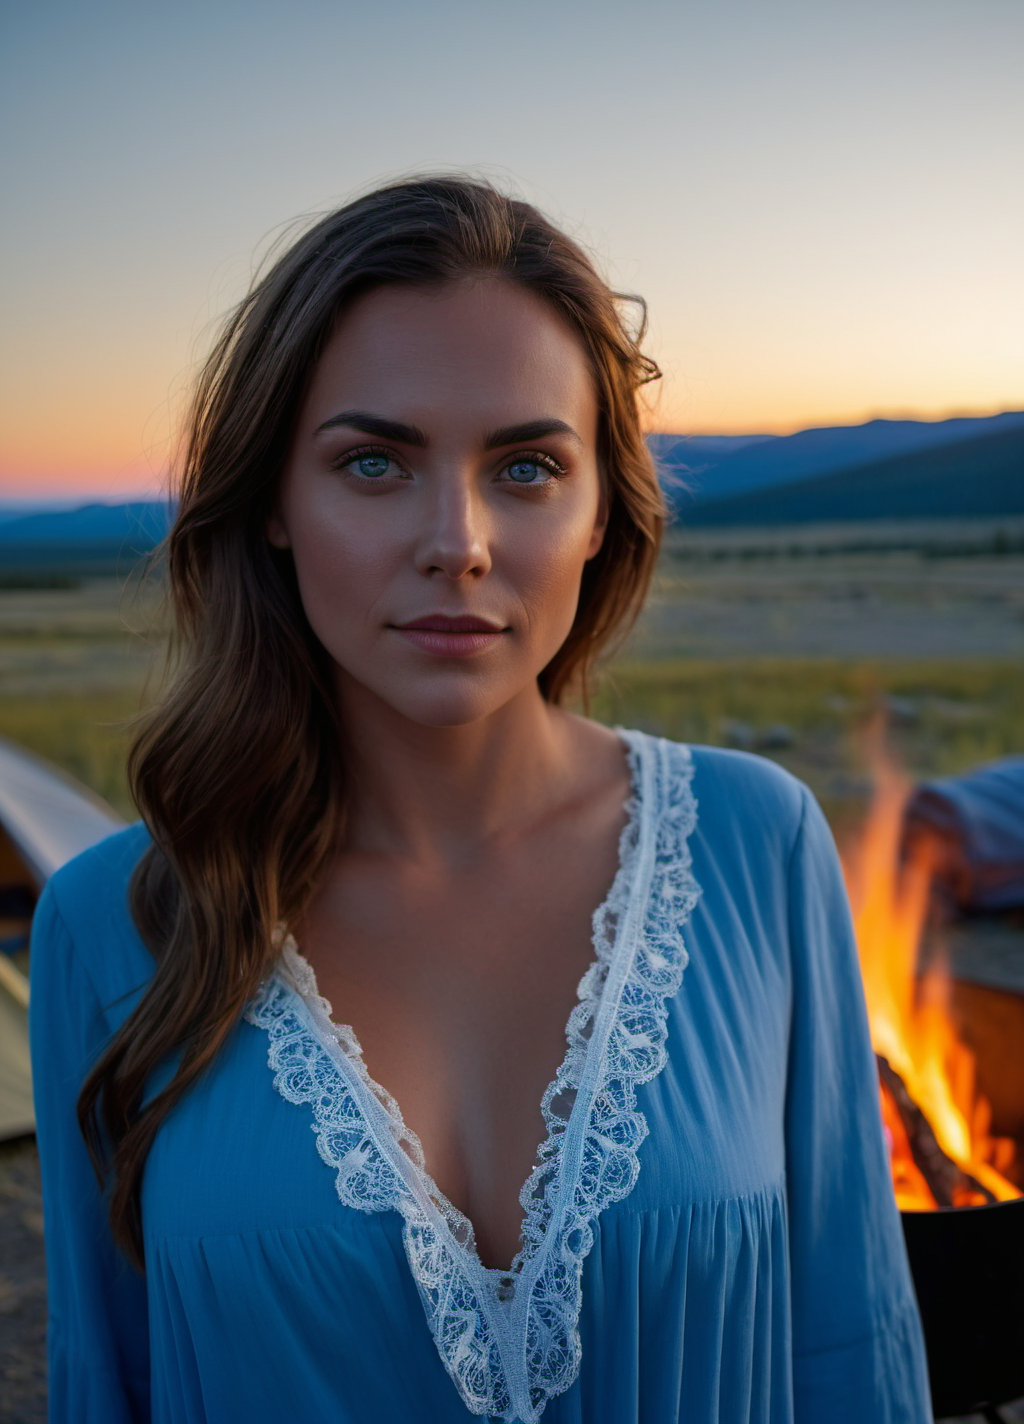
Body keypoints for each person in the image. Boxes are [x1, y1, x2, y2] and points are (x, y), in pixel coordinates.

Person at [29, 176, 931, 1424]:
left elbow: (850, 1351)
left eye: (525, 465)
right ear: (275, 503)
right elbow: (107, 1382)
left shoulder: (755, 845)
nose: (456, 540)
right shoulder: (113, 920)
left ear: (602, 510)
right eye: (372, 461)